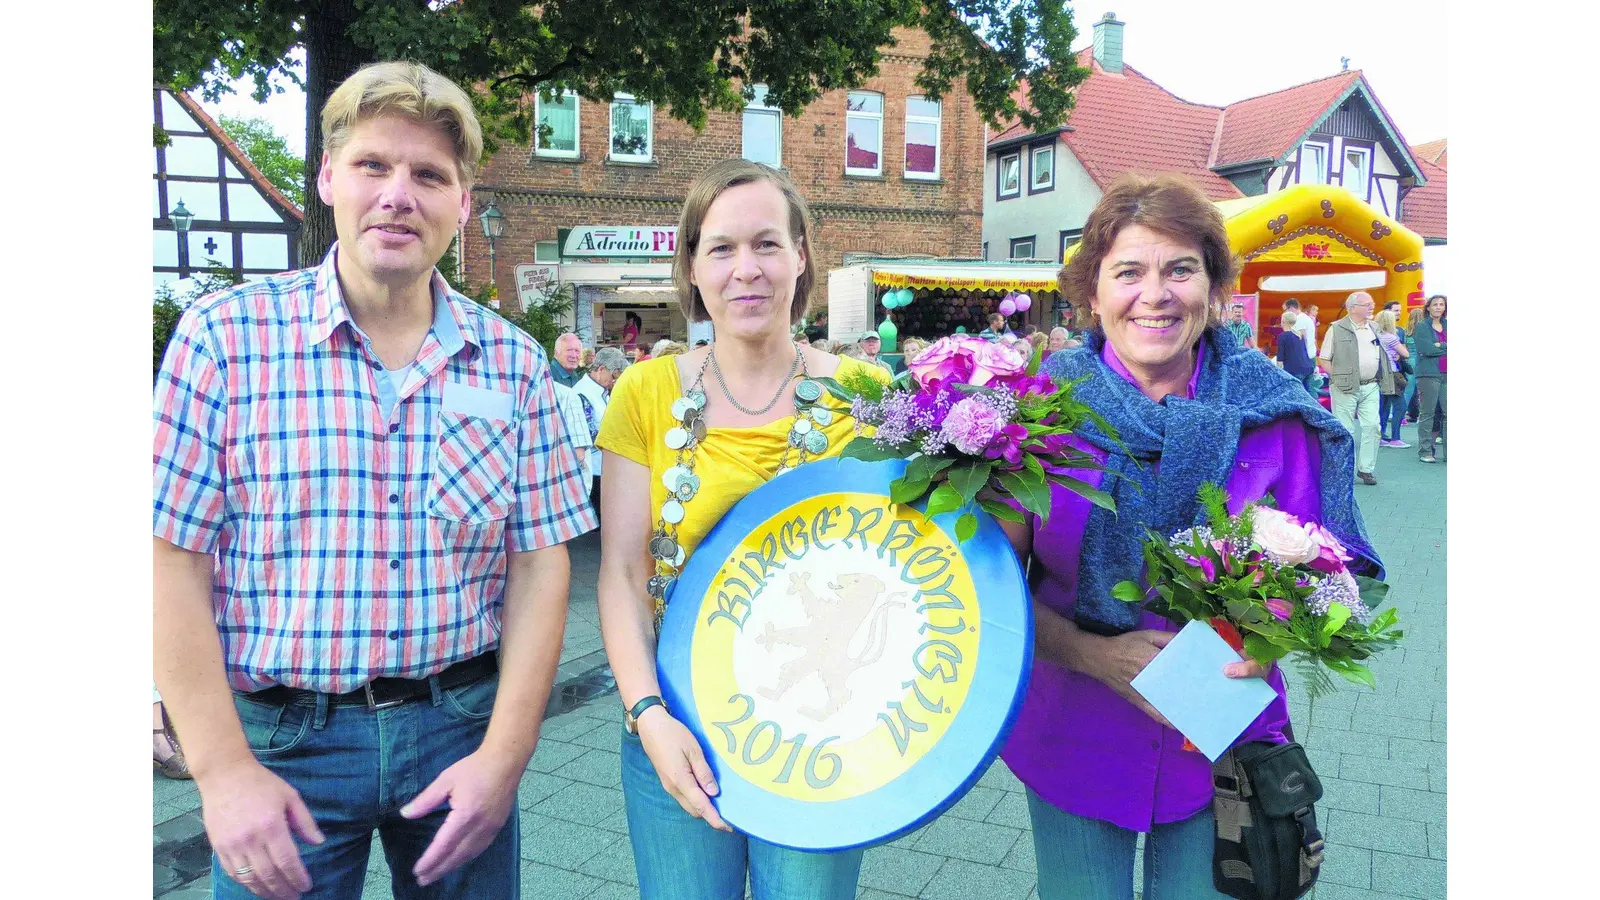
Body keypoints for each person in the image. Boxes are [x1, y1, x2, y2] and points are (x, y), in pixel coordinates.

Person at [152, 61, 597, 900]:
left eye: (429, 175)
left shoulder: (512, 364)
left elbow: (540, 564)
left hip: (459, 729)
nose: (399, 194)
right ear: (327, 179)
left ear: (462, 201)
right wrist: (220, 771)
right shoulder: (225, 340)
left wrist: (504, 760)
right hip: (283, 746)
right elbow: (170, 558)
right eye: (372, 166)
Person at [1014, 172, 1380, 900]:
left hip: (1223, 737)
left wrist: (1278, 635)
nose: (1156, 294)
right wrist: (1090, 653)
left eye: (1181, 269)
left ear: (1213, 287)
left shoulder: (1274, 412)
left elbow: (1338, 581)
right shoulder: (1035, 412)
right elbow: (983, 587)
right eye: (1129, 272)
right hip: (1072, 726)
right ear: (1093, 293)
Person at [594, 159, 888, 900]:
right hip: (678, 726)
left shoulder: (870, 396)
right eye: (721, 248)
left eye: (766, 244)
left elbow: (908, 566)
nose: (745, 269)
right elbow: (624, 571)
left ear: (801, 258)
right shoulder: (647, 392)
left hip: (825, 730)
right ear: (691, 267)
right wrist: (647, 714)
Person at [1319, 291, 1390, 485]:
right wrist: (1338, 378)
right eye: (1367, 304)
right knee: (1345, 429)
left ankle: (1366, 469)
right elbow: (1324, 358)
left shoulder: (1374, 327)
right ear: (1352, 308)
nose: (1372, 306)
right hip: (1344, 387)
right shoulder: (1336, 328)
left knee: (1373, 426)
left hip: (1370, 385)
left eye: (1372, 303)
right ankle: (1344, 469)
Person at [573, 346, 630, 513]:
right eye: (614, 376)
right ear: (601, 370)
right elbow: (588, 437)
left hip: (606, 468)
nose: (615, 381)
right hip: (594, 472)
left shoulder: (603, 392)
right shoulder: (582, 395)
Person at [1414, 294, 1448, 463]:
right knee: (1428, 413)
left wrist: (1440, 346)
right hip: (1428, 374)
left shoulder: (1449, 325)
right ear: (1428, 307)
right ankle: (1425, 451)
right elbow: (1425, 349)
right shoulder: (1422, 326)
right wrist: (1444, 347)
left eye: (1441, 304)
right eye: (1435, 304)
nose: (1438, 307)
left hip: (1447, 374)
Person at [1374, 310, 1411, 448]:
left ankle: (1381, 435)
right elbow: (1406, 354)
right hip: (1392, 374)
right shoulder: (1391, 337)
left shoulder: (1375, 337)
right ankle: (1396, 438)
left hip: (1379, 375)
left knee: (1383, 407)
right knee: (1400, 406)